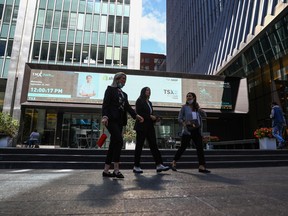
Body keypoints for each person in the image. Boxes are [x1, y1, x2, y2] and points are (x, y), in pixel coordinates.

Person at [101, 72, 144, 178]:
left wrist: (136, 116)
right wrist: (105, 116)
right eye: (122, 79)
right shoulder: (110, 90)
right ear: (116, 79)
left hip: (120, 121)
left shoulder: (124, 94)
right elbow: (105, 104)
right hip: (111, 120)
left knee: (113, 144)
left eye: (125, 79)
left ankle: (106, 171)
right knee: (119, 141)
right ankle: (116, 170)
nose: (124, 81)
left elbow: (128, 108)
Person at [170, 92, 210, 173]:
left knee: (199, 147)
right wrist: (184, 123)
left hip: (197, 130)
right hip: (187, 130)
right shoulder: (184, 107)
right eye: (187, 96)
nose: (188, 97)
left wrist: (199, 109)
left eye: (190, 96)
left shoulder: (196, 108)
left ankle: (201, 166)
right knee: (183, 147)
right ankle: (174, 162)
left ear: (194, 97)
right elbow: (179, 118)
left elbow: (205, 115)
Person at [133, 87, 170, 174]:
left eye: (149, 90)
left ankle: (159, 165)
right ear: (143, 92)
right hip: (141, 126)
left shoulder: (149, 102)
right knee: (139, 146)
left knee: (154, 145)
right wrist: (150, 116)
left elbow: (151, 114)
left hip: (149, 126)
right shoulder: (139, 100)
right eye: (146, 90)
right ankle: (136, 166)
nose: (148, 92)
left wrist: (155, 118)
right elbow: (139, 113)